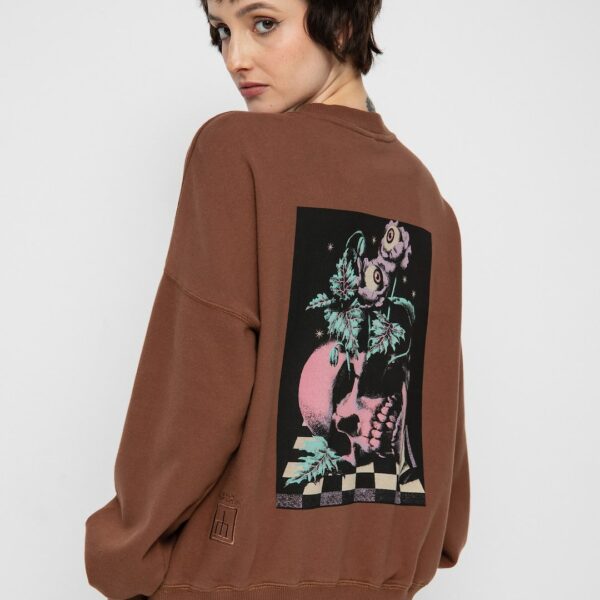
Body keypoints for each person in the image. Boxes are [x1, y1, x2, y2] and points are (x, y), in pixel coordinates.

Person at [84, 1, 470, 599]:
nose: (235, 57)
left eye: (263, 23)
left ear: (342, 22)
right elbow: (442, 423)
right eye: (221, 31)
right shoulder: (429, 203)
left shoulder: (235, 151)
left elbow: (198, 394)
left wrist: (123, 550)